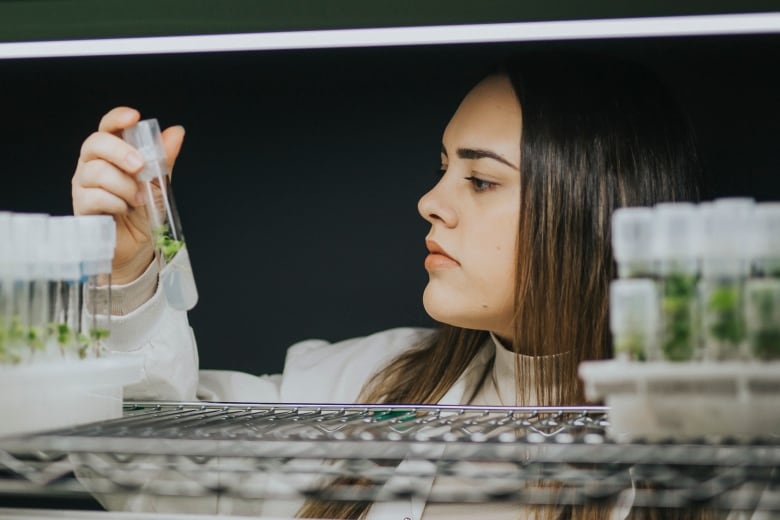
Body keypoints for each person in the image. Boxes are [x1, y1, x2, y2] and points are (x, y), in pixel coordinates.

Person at [71, 53, 703, 519]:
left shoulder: (718, 445)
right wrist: (126, 273)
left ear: (591, 208)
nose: (431, 201)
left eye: (480, 180)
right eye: (442, 169)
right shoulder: (371, 389)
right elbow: (151, 467)